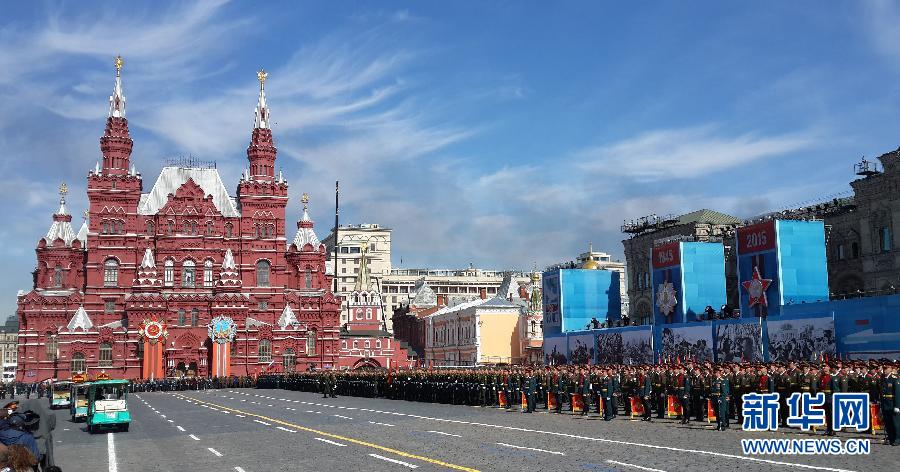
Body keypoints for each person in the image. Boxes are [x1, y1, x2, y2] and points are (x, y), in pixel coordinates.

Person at [21, 398, 56, 469]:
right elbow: (52, 426)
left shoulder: (24, 417)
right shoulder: (48, 414)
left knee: (32, 466)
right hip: (45, 444)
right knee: (46, 465)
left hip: (29, 446)